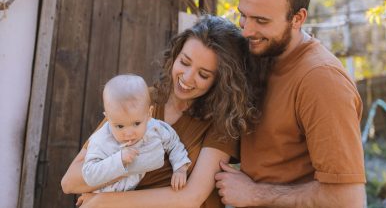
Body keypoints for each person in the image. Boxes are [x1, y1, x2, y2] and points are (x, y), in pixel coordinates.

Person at [61, 14, 256, 208]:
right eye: (185, 62)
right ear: (175, 56)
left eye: (203, 74)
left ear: (220, 80)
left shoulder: (223, 121)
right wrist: (126, 163)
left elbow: (191, 197)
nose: (187, 78)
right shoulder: (140, 100)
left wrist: (104, 201)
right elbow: (70, 181)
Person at [215, 0, 366, 208]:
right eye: (243, 15)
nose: (246, 31)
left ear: (298, 18)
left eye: (261, 21)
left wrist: (255, 194)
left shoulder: (321, 80)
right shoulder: (261, 55)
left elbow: (347, 199)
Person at [83, 74, 191, 192]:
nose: (129, 133)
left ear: (149, 113)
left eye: (136, 123)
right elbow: (89, 175)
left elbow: (173, 143)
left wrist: (180, 168)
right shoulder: (101, 140)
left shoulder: (155, 128)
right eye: (120, 126)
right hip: (103, 196)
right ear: (108, 118)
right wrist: (119, 159)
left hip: (130, 196)